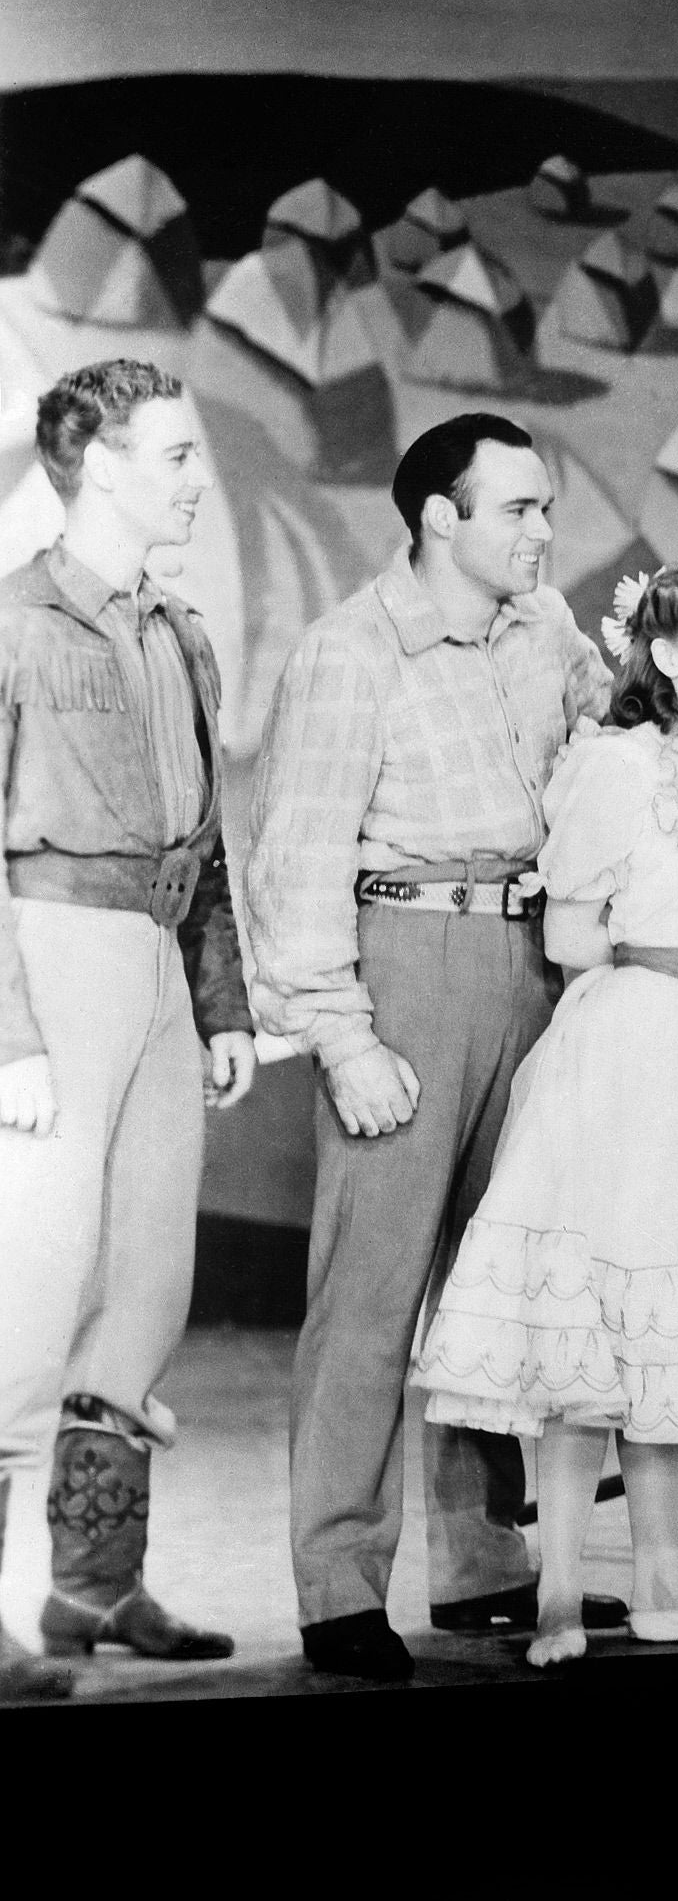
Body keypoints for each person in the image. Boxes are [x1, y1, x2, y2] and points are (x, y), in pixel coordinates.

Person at [250, 412, 618, 1682]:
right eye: (517, 508)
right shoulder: (350, 652)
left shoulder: (548, 628)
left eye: (544, 507)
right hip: (404, 960)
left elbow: (601, 761)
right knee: (370, 1294)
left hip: (530, 961)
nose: (542, 531)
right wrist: (343, 1037)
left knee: (499, 1282)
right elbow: (296, 855)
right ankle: (338, 1583)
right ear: (438, 519)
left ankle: (485, 1564)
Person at [410, 551, 678, 1663]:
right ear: (667, 654)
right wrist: (660, 976)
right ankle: (555, 1598)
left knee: (675, 1319)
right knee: (595, 1327)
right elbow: (569, 931)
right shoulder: (620, 766)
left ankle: (663, 1580)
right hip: (636, 1053)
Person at [0, 362, 255, 1696]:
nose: (194, 478)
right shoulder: (14, 622)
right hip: (53, 958)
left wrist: (220, 1004)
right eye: (170, 455)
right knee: (22, 1304)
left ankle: (95, 1586)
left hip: (158, 964)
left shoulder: (183, 633)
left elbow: (207, 844)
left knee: (152, 1283)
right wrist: (10, 1037)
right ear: (96, 463)